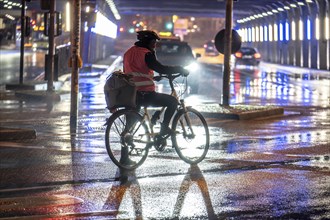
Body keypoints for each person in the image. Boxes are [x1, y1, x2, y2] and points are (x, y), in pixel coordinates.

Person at [123, 30, 189, 137]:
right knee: (173, 101)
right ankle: (164, 129)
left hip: (131, 94)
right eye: (153, 41)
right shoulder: (146, 54)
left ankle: (126, 138)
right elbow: (160, 68)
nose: (155, 44)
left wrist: (152, 77)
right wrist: (180, 69)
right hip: (145, 94)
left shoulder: (128, 52)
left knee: (130, 124)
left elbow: (135, 71)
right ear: (147, 41)